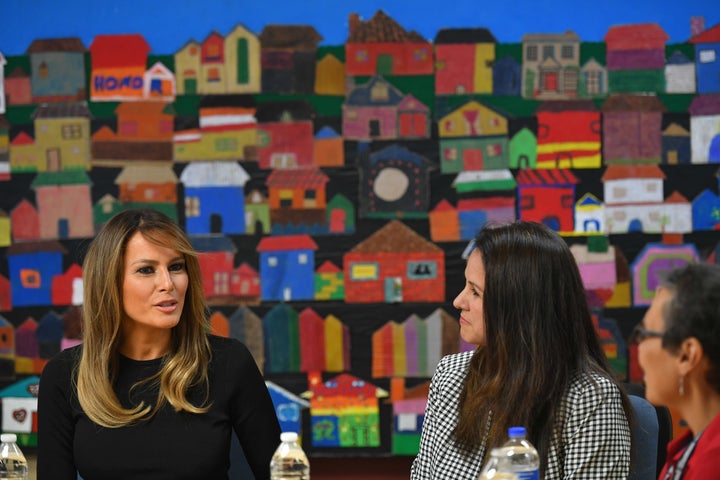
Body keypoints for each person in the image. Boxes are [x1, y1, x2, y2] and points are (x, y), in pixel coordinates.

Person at [37, 208, 281, 480]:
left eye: (176, 267)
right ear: (109, 283)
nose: (168, 283)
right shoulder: (64, 374)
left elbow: (284, 473)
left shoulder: (229, 361)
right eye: (146, 270)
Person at [411, 221, 632, 479]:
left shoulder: (589, 398)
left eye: (475, 292)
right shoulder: (450, 375)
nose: (458, 301)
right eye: (465, 286)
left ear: (520, 306)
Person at [635, 262, 720, 479]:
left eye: (645, 334)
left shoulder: (712, 465)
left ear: (687, 355)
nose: (639, 348)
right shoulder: (691, 447)